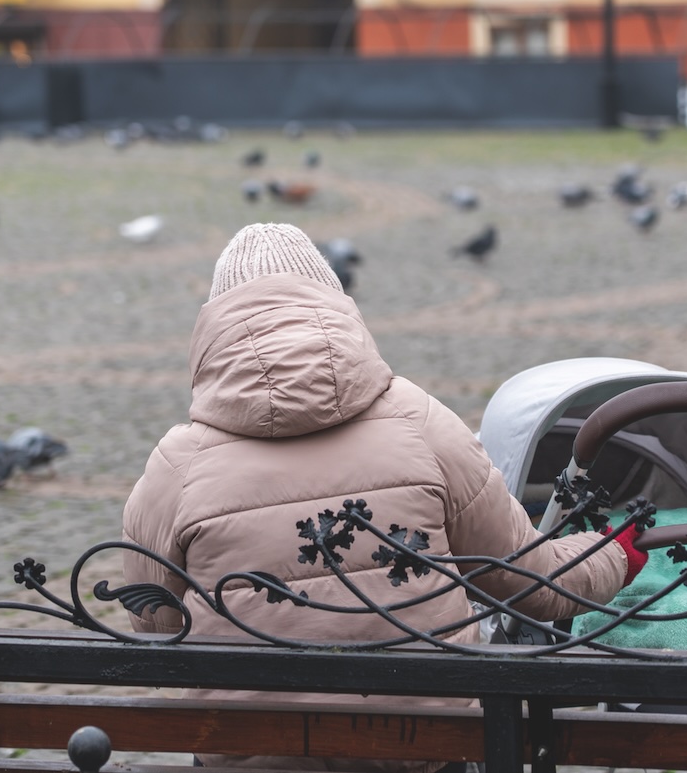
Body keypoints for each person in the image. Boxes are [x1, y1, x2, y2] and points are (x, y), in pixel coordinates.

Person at [121, 223, 649, 773]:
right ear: (336, 307)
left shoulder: (177, 465)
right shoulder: (421, 422)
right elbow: (532, 580)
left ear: (214, 329)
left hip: (255, 756)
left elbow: (156, 628)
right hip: (422, 749)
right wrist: (616, 551)